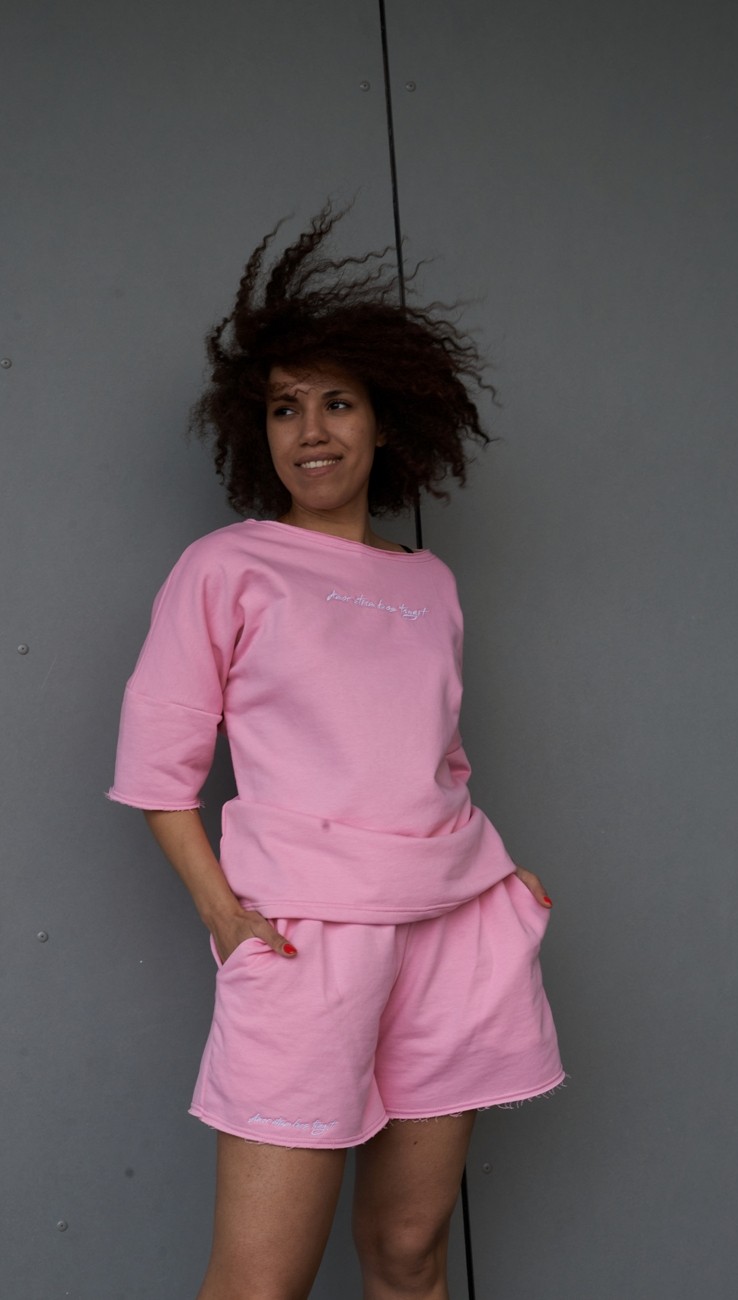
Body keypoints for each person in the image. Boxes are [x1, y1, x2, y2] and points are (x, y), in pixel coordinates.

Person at [109, 206, 563, 1300]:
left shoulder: (429, 583)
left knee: (409, 1255)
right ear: (256, 430)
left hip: (453, 934)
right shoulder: (227, 568)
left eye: (337, 402)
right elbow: (158, 771)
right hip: (307, 941)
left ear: (384, 420)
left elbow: (433, 757)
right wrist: (228, 918)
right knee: (260, 1282)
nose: (310, 430)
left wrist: (498, 878)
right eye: (284, 408)